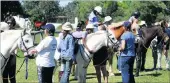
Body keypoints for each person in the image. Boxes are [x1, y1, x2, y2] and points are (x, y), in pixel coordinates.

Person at [2, 16, 17, 83]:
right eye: (8, 23)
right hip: (3, 57)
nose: (9, 24)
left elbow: (17, 44)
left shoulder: (16, 33)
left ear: (13, 23)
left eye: (11, 23)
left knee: (12, 77)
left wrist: (15, 53)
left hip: (12, 56)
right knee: (4, 78)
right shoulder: (2, 33)